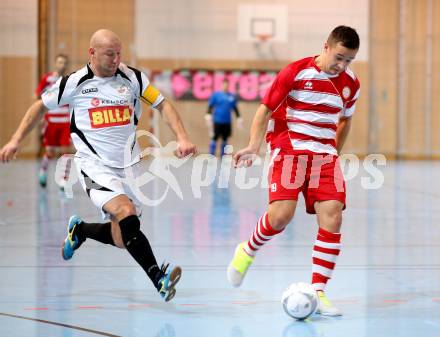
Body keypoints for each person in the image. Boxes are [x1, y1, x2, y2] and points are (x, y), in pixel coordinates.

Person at [0, 29, 197, 302]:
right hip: (93, 165)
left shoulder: (134, 78)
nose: (116, 58)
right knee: (126, 212)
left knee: (122, 237)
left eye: (119, 53)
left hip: (127, 167)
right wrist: (15, 139)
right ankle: (158, 278)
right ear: (92, 53)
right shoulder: (75, 82)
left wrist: (183, 137)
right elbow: (39, 107)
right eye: (109, 53)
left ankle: (80, 230)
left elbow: (163, 105)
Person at [227, 25, 361, 316]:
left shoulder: (351, 83)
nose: (342, 65)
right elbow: (264, 109)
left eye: (349, 60)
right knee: (280, 216)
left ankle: (319, 291)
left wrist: (334, 153)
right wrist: (253, 146)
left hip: (324, 156)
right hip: (289, 149)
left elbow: (345, 120)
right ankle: (247, 250)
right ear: (326, 46)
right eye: (339, 57)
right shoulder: (296, 72)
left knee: (333, 216)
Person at [35, 54, 71, 188]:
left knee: (65, 152)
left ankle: (64, 179)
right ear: (56, 64)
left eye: (64, 63)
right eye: (60, 62)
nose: (62, 65)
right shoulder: (48, 78)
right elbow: (38, 96)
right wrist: (40, 117)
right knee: (50, 152)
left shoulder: (69, 80)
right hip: (51, 120)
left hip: (65, 121)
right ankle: (43, 172)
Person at [205, 80, 243, 156]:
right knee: (214, 137)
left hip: (227, 121)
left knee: (225, 139)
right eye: (224, 85)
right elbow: (210, 106)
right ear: (221, 85)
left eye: (226, 85)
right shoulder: (216, 95)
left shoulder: (231, 97)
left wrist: (239, 118)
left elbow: (235, 108)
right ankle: (211, 155)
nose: (225, 86)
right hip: (218, 121)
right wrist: (208, 114)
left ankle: (223, 156)